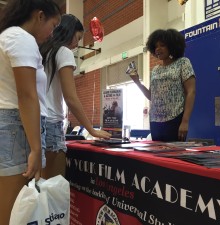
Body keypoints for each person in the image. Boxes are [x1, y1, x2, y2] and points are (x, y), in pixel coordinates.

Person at [0, 0, 61, 224]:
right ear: (40, 16)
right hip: (18, 126)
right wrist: (36, 148)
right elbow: (26, 96)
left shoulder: (10, 37)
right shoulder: (21, 38)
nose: (52, 34)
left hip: (15, 125)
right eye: (53, 26)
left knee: (15, 205)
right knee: (14, 207)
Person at [39, 14, 111, 179]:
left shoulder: (44, 51)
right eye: (77, 38)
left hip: (36, 122)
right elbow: (70, 97)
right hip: (51, 124)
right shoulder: (63, 52)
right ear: (69, 32)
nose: (77, 44)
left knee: (38, 185)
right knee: (54, 187)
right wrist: (92, 130)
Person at [128, 29, 196, 141]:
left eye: (162, 45)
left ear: (172, 46)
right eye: (155, 46)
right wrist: (137, 82)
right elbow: (151, 96)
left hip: (175, 119)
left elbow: (191, 92)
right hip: (155, 121)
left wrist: (185, 121)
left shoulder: (183, 63)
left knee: (173, 155)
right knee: (156, 155)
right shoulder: (155, 70)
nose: (158, 49)